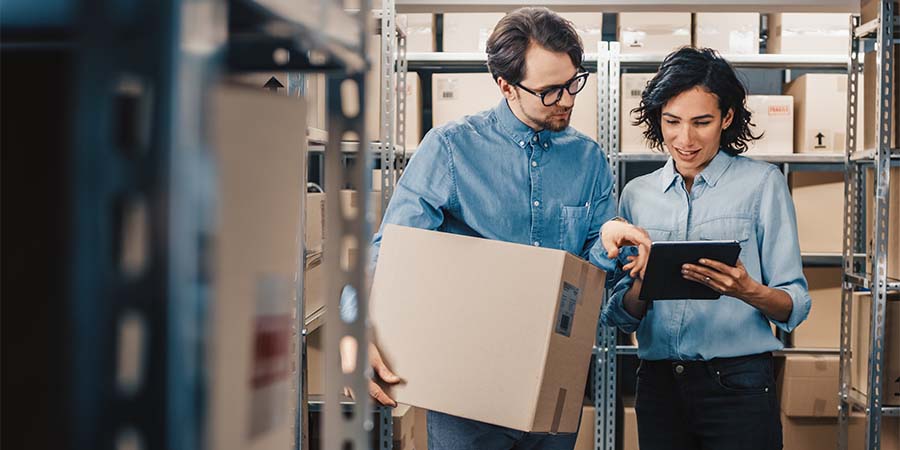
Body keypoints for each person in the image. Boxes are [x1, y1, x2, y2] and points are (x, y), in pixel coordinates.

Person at [354, 7, 652, 450]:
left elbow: (591, 274)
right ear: (506, 85)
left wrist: (607, 244)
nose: (568, 99)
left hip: (554, 379)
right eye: (550, 91)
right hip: (466, 388)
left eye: (573, 82)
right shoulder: (451, 149)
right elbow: (390, 251)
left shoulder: (588, 160)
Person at [601, 47, 812, 450]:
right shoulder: (636, 195)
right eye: (672, 122)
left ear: (727, 117)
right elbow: (619, 318)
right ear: (657, 118)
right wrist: (640, 285)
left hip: (739, 385)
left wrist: (746, 289)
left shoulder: (763, 185)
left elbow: (795, 305)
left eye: (702, 122)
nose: (685, 139)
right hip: (659, 385)